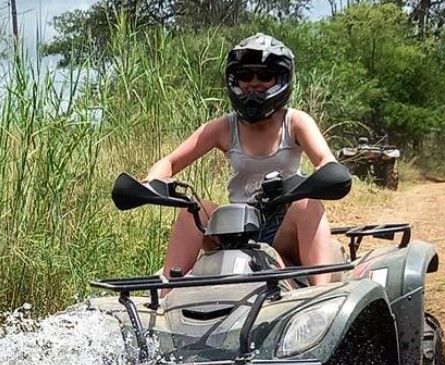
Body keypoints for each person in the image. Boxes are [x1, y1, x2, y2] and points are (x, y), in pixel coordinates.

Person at [143, 33, 337, 288]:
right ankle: (167, 291)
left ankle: (320, 296)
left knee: (307, 204)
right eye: (246, 76)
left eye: (264, 76)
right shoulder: (225, 127)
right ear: (235, 79)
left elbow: (325, 160)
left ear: (281, 79)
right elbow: (169, 161)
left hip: (283, 226)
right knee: (194, 209)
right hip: (237, 227)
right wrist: (151, 183)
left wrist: (328, 175)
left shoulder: (296, 122)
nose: (254, 84)